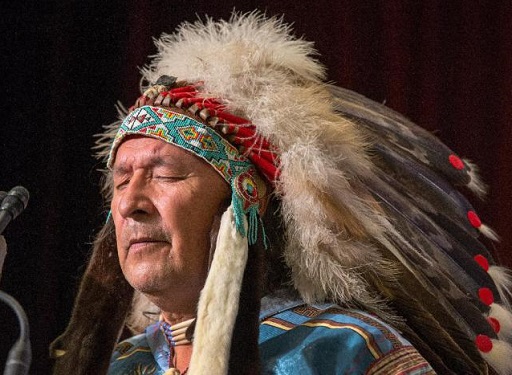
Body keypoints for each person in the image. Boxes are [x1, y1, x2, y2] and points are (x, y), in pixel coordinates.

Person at [51, 12, 512, 375]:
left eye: (166, 174)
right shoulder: (120, 365)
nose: (131, 202)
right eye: (121, 180)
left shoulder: (341, 350)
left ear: (243, 201)